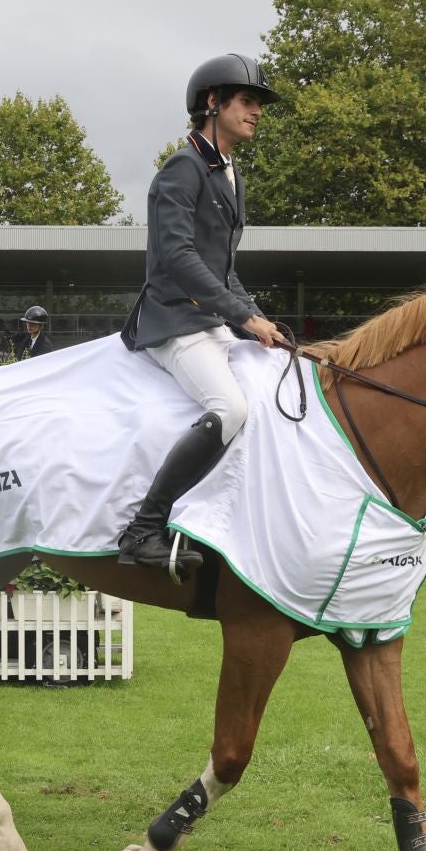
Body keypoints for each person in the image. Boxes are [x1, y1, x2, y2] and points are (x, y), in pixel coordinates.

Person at [117, 53, 287, 573]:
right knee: (230, 408)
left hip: (210, 322)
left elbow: (223, 269)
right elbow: (179, 257)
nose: (257, 112)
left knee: (272, 385)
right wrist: (243, 317)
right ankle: (143, 530)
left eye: (259, 104)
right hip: (173, 321)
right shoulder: (183, 167)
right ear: (213, 102)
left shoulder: (230, 174)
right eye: (247, 101)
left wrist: (259, 321)